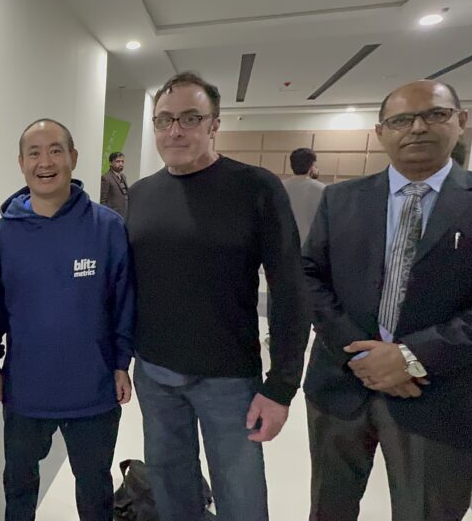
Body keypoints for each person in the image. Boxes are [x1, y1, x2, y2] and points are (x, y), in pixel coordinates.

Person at [302, 79, 472, 521]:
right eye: (401, 120)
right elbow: (308, 277)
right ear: (381, 131)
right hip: (341, 385)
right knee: (329, 508)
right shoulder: (341, 198)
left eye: (435, 115)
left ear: (461, 122)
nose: (417, 128)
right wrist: (360, 356)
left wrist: (410, 357)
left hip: (441, 393)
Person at [126, 71, 308, 521]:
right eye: (164, 119)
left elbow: (289, 286)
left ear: (214, 124)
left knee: (240, 497)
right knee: (172, 490)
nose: (176, 130)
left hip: (229, 380)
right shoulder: (143, 193)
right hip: (154, 372)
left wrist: (282, 385)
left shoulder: (256, 187)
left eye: (190, 118)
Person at [0, 119, 135, 521]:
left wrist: (122, 363)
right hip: (26, 388)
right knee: (18, 484)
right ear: (21, 163)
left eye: (55, 150)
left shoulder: (107, 227)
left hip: (94, 387)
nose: (45, 162)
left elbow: (123, 300)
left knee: (94, 486)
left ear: (73, 158)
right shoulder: (1, 235)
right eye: (34, 153)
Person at [283, 147, 327, 245]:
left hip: (283, 246)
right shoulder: (323, 190)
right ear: (311, 166)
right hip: (309, 248)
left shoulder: (279, 187)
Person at [100, 151, 129, 216]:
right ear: (110, 163)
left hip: (125, 214)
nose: (121, 164)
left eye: (122, 161)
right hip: (113, 215)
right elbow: (102, 200)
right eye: (117, 161)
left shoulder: (123, 177)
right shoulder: (106, 178)